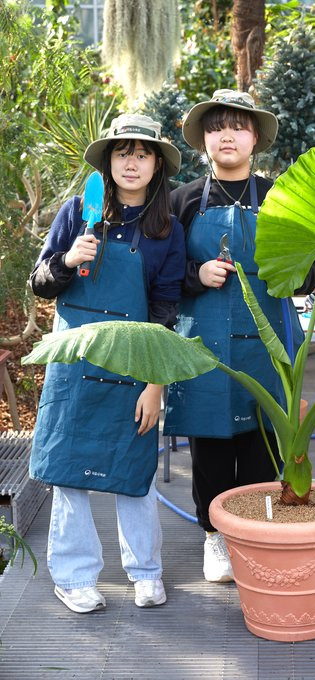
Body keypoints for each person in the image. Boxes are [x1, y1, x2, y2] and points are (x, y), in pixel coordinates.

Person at [29, 114, 185, 614]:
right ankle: (74, 578)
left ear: (157, 163)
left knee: (133, 471)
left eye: (142, 153)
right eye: (122, 153)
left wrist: (155, 386)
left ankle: (145, 572)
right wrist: (68, 260)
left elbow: (165, 314)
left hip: (133, 367)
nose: (131, 162)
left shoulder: (167, 230)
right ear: (107, 162)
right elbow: (39, 283)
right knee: (69, 473)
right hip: (74, 364)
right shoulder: (78, 212)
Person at [163, 89, 313, 583]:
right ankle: (213, 537)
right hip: (204, 347)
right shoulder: (182, 201)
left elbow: (310, 277)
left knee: (259, 444)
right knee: (208, 449)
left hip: (267, 344)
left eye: (239, 126)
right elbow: (160, 275)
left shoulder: (280, 199)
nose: (226, 135)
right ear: (203, 139)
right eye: (215, 127)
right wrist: (195, 274)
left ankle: (251, 535)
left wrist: (291, 269)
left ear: (256, 139)